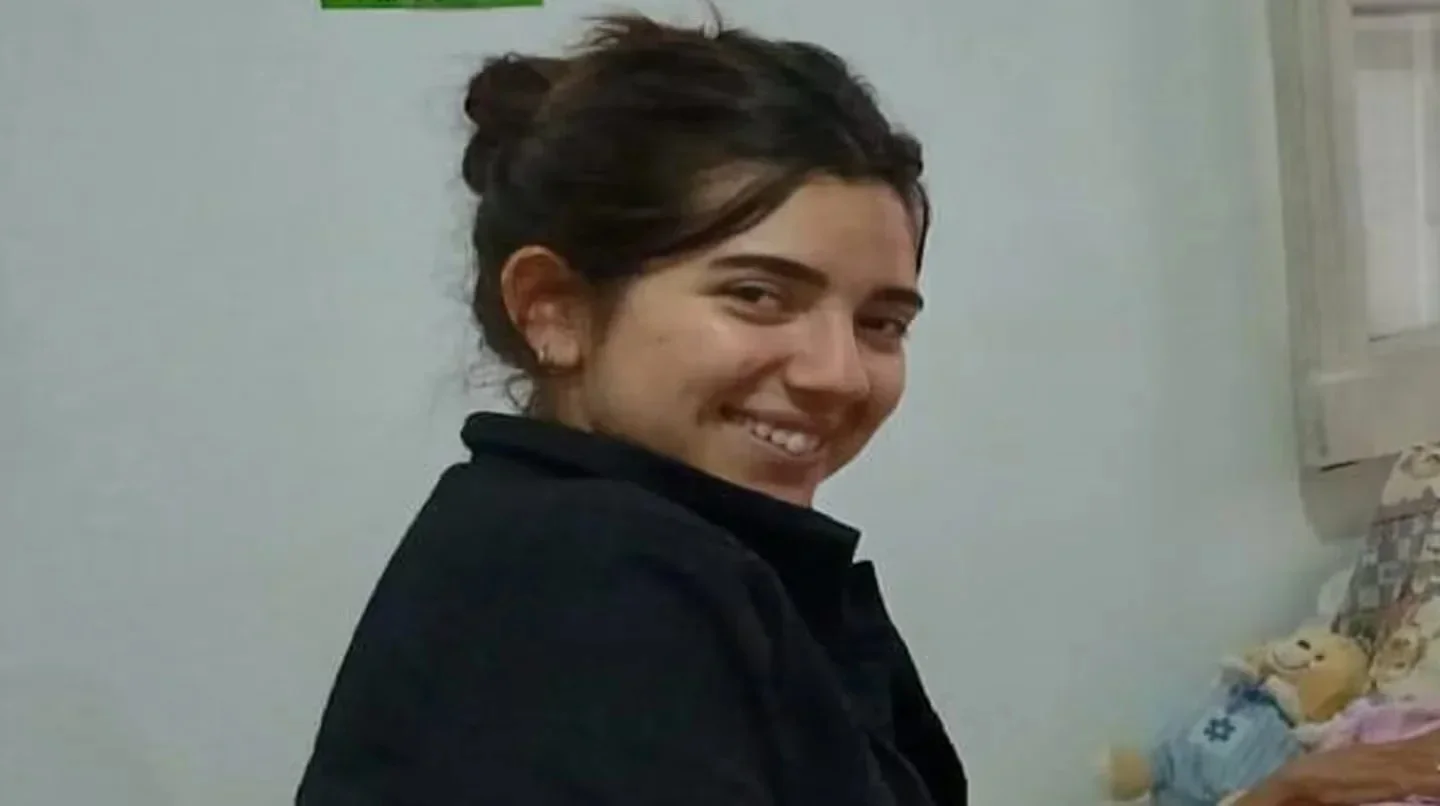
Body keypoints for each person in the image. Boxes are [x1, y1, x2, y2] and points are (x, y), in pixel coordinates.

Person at [294, 11, 1440, 806]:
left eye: (882, 320)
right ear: (553, 307)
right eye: (758, 294)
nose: (840, 373)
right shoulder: (585, 578)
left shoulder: (669, 544)